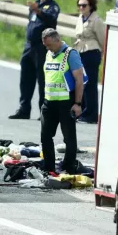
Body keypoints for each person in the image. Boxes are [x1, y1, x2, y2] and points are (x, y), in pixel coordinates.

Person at [9, 0, 60, 119]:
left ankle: (44, 111)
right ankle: (24, 109)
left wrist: (38, 11)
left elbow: (50, 20)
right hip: (29, 46)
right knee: (26, 79)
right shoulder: (35, 4)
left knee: (43, 80)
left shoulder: (52, 7)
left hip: (42, 48)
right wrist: (35, 9)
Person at [39, 28, 87, 174]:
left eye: (49, 45)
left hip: (66, 103)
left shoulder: (70, 54)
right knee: (45, 136)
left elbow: (80, 80)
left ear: (57, 40)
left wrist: (77, 104)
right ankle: (49, 168)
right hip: (49, 102)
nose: (47, 48)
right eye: (45, 45)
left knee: (69, 137)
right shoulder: (49, 53)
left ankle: (69, 166)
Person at [73, 0, 105, 124]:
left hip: (91, 52)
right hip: (80, 51)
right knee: (81, 82)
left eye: (84, 5)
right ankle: (83, 111)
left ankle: (91, 114)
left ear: (90, 6)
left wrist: (102, 53)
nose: (81, 7)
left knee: (90, 84)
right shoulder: (80, 18)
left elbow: (102, 39)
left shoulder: (96, 20)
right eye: (79, 5)